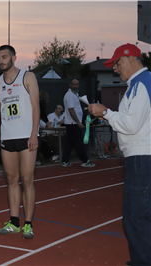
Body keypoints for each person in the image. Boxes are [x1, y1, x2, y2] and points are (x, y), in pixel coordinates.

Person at [88, 43, 151, 266]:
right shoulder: (140, 84)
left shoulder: (142, 84)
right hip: (141, 156)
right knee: (139, 215)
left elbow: (131, 125)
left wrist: (105, 112)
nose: (115, 68)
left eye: (117, 63)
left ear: (131, 59)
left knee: (137, 217)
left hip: (141, 157)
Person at [0, 45, 39, 239]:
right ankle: (14, 222)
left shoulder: (27, 77)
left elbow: (36, 107)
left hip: (26, 137)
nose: (1, 61)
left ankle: (28, 224)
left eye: (4, 57)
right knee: (11, 180)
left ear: (14, 57)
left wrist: (34, 134)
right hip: (7, 138)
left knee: (27, 180)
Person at [61, 79, 95, 167]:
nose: (75, 86)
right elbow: (71, 109)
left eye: (77, 84)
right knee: (79, 143)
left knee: (69, 143)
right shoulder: (70, 95)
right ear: (70, 85)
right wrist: (78, 122)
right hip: (73, 123)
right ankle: (85, 161)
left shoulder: (74, 95)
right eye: (73, 84)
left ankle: (65, 161)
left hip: (71, 123)